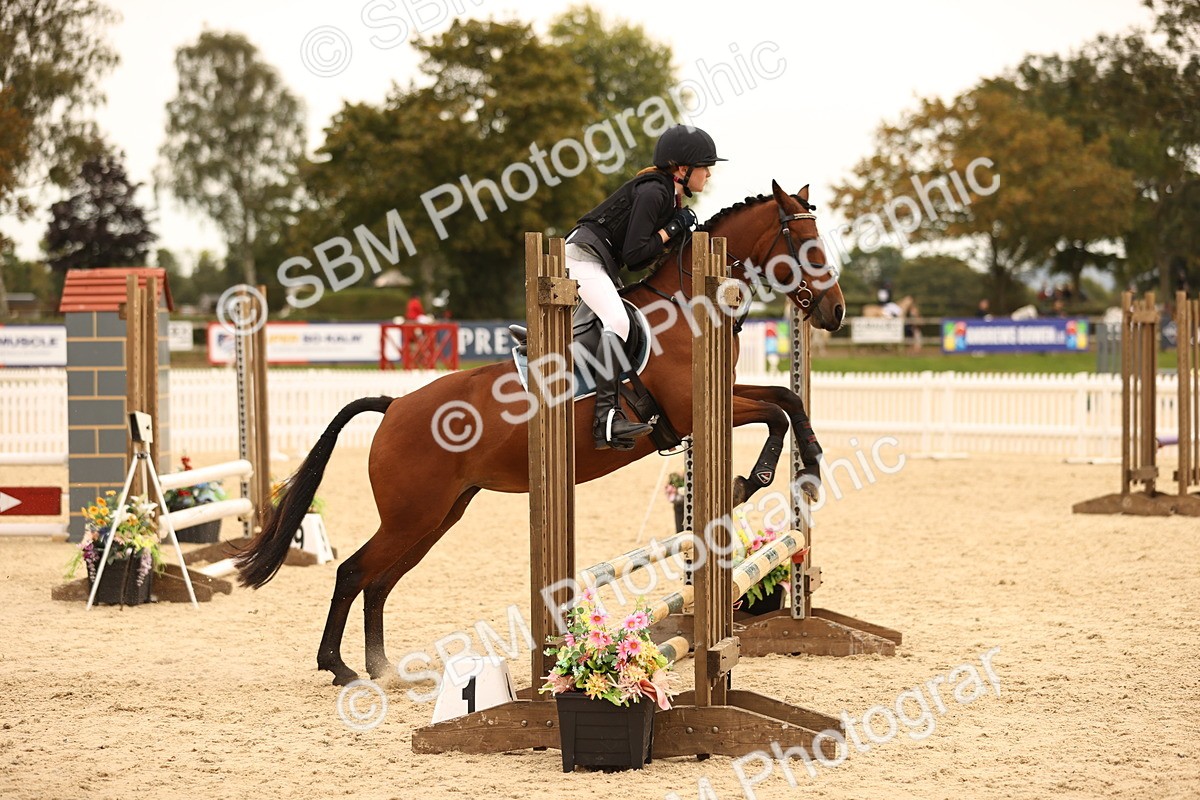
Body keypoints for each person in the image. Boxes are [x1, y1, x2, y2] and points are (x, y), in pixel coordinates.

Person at [566, 124, 726, 450]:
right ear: (682, 169)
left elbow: (638, 262)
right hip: (584, 257)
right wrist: (671, 229)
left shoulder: (669, 196)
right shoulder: (655, 192)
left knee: (619, 318)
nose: (709, 174)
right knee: (618, 321)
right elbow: (635, 254)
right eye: (705, 166)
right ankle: (605, 419)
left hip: (601, 262)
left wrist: (674, 230)